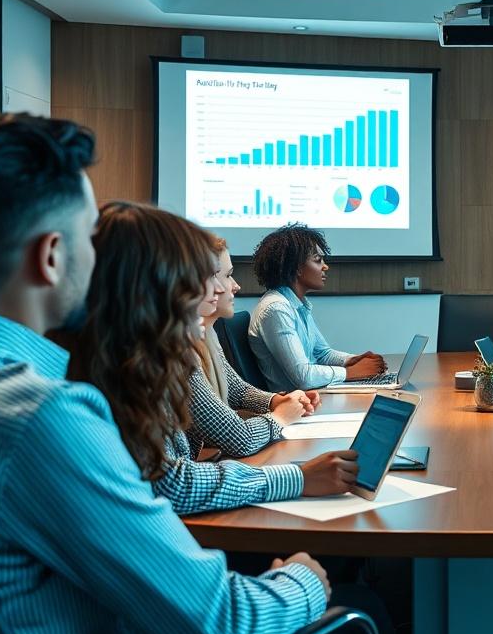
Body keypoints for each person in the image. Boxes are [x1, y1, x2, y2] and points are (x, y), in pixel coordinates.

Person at [0, 112, 331, 634]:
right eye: (87, 236)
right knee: (362, 606)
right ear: (50, 257)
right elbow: (229, 626)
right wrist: (305, 582)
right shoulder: (42, 418)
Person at [71, 202, 360, 516]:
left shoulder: (147, 354)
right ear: (148, 288)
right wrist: (297, 474)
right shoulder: (134, 366)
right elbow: (176, 482)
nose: (217, 291)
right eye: (196, 281)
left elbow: (234, 392)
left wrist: (275, 401)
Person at [188, 237, 316, 459]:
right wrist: (280, 416)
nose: (234, 286)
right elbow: (240, 439)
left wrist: (276, 401)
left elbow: (237, 390)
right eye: (227, 276)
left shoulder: (208, 334)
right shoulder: (180, 355)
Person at [249, 224, 386, 390]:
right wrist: (349, 373)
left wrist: (351, 360)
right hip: (299, 407)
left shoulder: (297, 304)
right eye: (318, 260)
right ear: (297, 268)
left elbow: (321, 353)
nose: (325, 266)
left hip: (312, 396)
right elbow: (303, 377)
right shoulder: (276, 309)